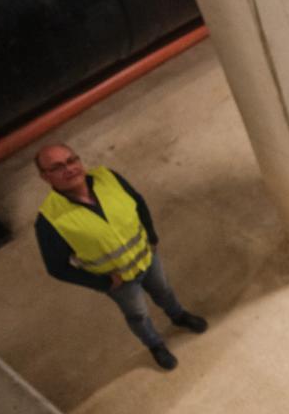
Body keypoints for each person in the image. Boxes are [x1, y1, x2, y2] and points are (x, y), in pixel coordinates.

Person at [34, 143, 207, 370]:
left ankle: (178, 316)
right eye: (57, 167)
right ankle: (155, 345)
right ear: (45, 177)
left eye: (71, 160)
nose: (69, 169)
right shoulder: (49, 220)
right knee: (138, 314)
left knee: (164, 290)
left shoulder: (108, 177)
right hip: (118, 281)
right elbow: (56, 268)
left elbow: (138, 202)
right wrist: (103, 282)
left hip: (147, 257)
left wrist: (152, 237)